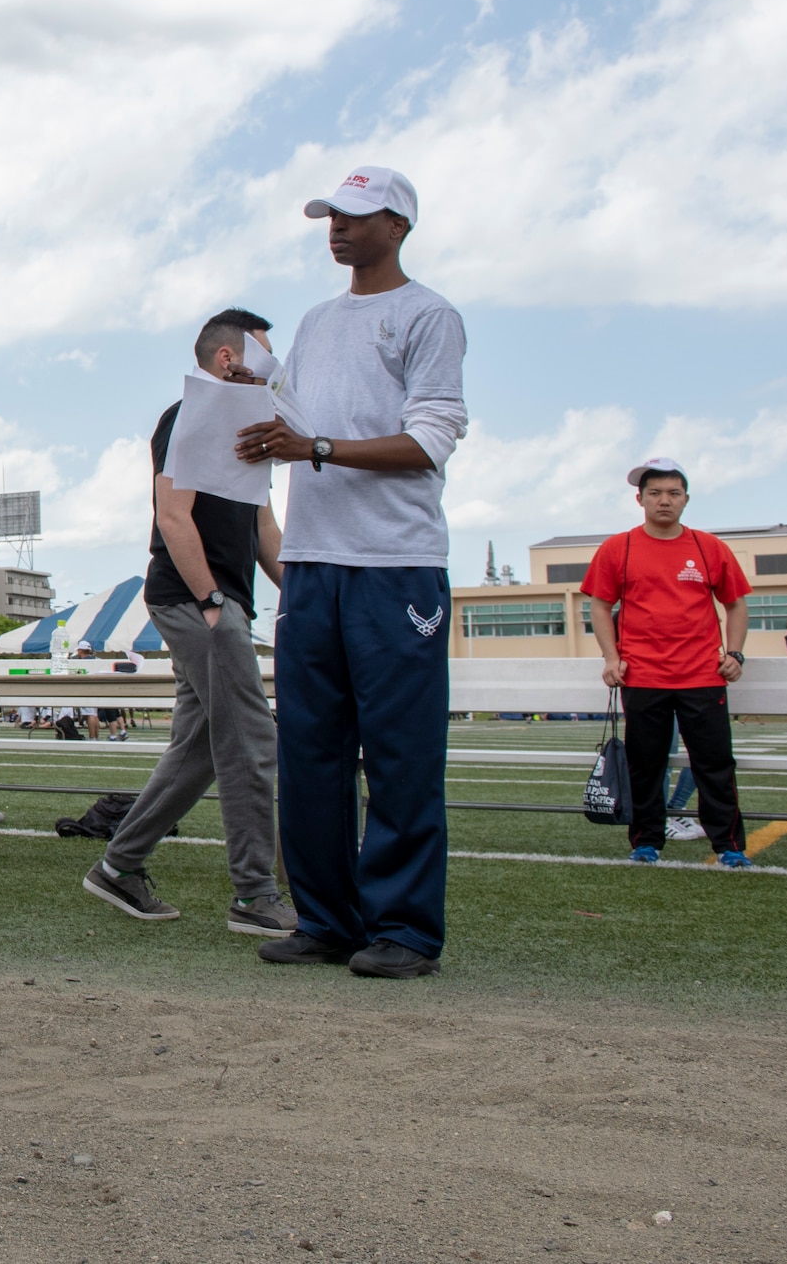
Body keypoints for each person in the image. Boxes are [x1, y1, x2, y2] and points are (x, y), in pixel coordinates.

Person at [235, 167, 467, 980]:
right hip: (311, 562)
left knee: (400, 754)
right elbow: (296, 421)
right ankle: (327, 919)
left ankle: (404, 928)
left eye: (357, 216)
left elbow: (430, 438)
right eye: (331, 214)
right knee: (310, 749)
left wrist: (314, 447)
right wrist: (255, 406)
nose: (338, 227)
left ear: (399, 225)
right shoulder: (316, 319)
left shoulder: (428, 315)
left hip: (395, 566)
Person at [82, 308, 294, 938]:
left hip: (219, 603)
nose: (274, 369)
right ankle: (256, 897)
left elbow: (264, 529)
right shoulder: (185, 419)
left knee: (201, 748)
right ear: (227, 360)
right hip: (194, 600)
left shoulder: (253, 429)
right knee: (252, 740)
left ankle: (119, 866)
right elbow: (172, 516)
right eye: (264, 354)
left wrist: (307, 591)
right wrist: (211, 600)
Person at [581, 457, 753, 867]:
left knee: (714, 763)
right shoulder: (617, 547)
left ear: (686, 499)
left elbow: (736, 604)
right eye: (655, 493)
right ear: (640, 499)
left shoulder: (708, 547)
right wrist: (611, 657)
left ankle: (728, 846)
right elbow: (600, 605)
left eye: (673, 493)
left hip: (702, 675)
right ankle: (646, 842)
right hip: (642, 676)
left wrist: (735, 653)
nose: (664, 501)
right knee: (646, 765)